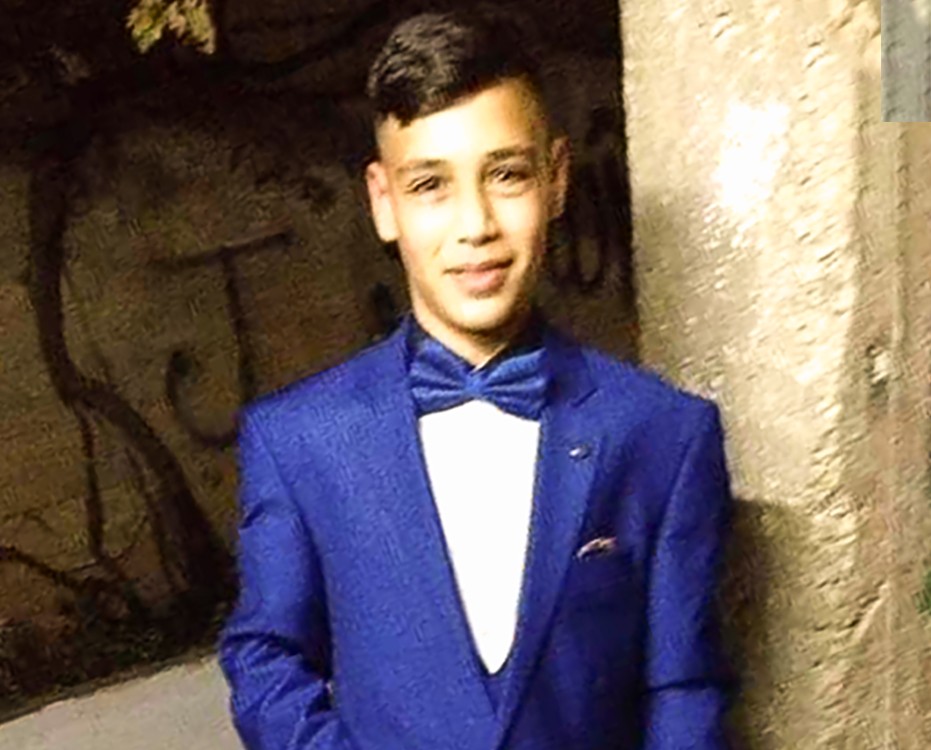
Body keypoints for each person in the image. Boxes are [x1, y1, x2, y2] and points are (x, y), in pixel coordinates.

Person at [217, 8, 738, 750]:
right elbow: (266, 658)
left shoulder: (662, 434)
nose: (475, 225)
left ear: (557, 179)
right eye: (431, 184)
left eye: (507, 175)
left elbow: (683, 686)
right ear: (384, 202)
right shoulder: (298, 440)